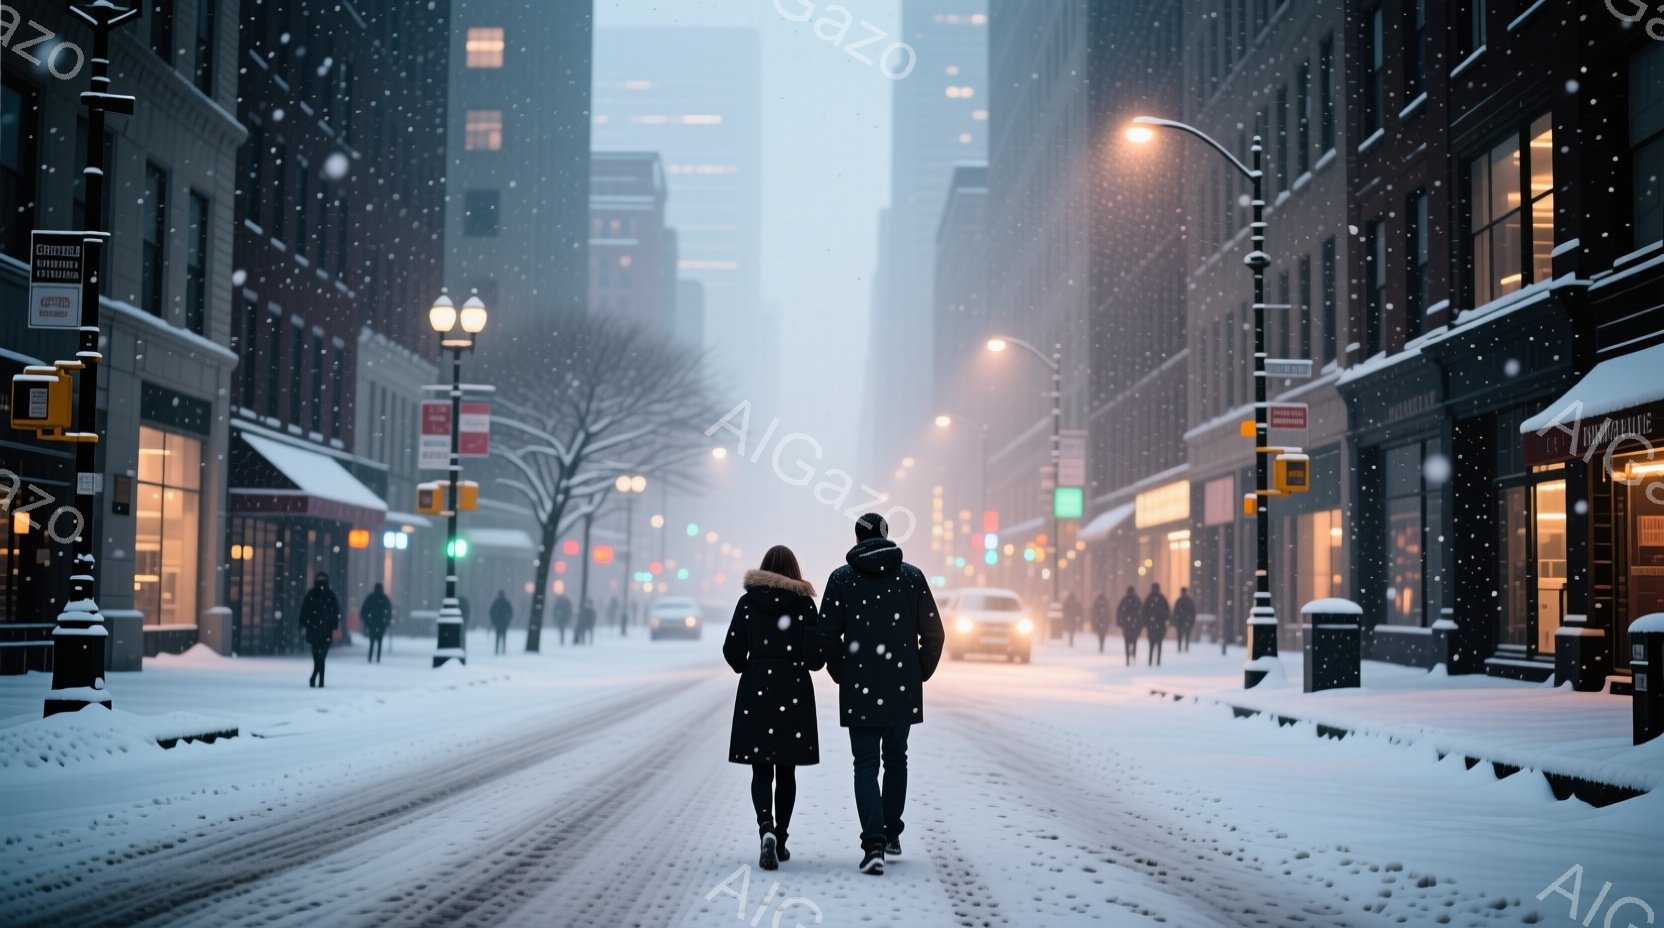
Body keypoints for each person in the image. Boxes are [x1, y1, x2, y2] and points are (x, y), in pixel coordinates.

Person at [818, 513, 945, 876]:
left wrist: (842, 671)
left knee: (865, 764)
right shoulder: (911, 578)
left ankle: (872, 842)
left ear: (857, 538)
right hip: (901, 686)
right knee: (896, 759)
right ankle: (891, 832)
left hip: (859, 687)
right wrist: (918, 671)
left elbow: (826, 635)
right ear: (887, 536)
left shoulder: (841, 579)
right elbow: (934, 634)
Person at [724, 545, 823, 871]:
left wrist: (750, 664)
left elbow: (732, 651)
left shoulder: (748, 603)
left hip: (757, 688)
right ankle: (780, 838)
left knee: (761, 767)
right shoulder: (804, 604)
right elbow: (815, 658)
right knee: (787, 769)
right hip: (793, 685)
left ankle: (765, 827)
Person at [299, 572, 341, 687]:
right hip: (326, 630)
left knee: (316, 656)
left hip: (313, 630)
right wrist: (334, 626)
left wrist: (304, 624)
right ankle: (319, 679)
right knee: (322, 656)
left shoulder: (311, 594)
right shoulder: (330, 595)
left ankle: (315, 678)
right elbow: (336, 612)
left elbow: (304, 611)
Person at [359, 583, 392, 664]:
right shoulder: (384, 599)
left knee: (372, 641)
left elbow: (363, 611)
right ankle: (377, 658)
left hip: (372, 624)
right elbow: (388, 612)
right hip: (380, 624)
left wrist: (367, 622)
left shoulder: (370, 598)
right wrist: (386, 622)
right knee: (379, 642)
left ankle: (370, 658)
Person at [1144, 583, 1170, 667]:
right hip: (1159, 626)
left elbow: (1144, 612)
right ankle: (1157, 661)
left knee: (1151, 645)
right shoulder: (1162, 598)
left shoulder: (1149, 599)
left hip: (1152, 626)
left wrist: (1146, 623)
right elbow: (1167, 612)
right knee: (1159, 645)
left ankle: (1150, 661)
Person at [1116, 586, 1142, 666]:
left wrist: (1119, 623)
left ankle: (1127, 658)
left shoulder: (1124, 600)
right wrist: (1140, 624)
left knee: (1127, 642)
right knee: (1134, 642)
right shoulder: (1137, 600)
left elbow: (1119, 612)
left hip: (1126, 626)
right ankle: (1133, 655)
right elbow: (1141, 613)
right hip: (1135, 626)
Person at [1172, 587, 1196, 653]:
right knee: (1186, 635)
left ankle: (1180, 647)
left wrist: (1175, 621)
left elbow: (1175, 612)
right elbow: (1192, 612)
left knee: (1180, 635)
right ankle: (1185, 647)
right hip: (1186, 621)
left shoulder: (1179, 601)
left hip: (1181, 621)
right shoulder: (1189, 601)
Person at [490, 590, 513, 655]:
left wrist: (507, 619)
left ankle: (501, 650)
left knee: (501, 637)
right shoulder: (498, 602)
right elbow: (491, 612)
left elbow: (510, 612)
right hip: (499, 622)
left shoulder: (501, 602)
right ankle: (499, 650)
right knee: (500, 637)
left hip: (502, 622)